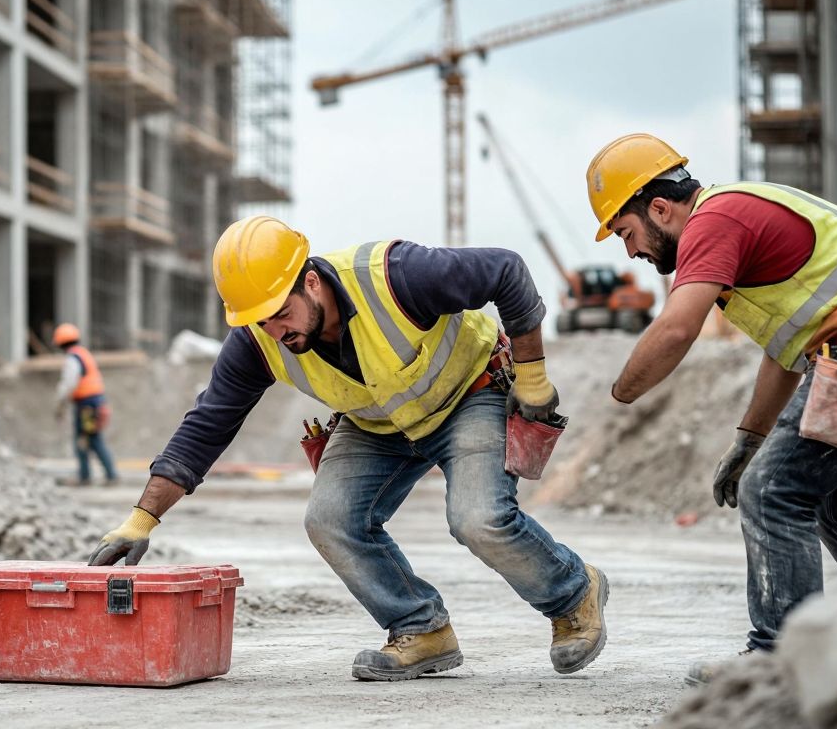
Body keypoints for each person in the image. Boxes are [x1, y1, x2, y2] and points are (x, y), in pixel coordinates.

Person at [86, 215, 609, 682]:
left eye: (280, 313)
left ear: (311, 281)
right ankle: (420, 628)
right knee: (330, 518)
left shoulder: (397, 276)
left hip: (468, 393)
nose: (275, 330)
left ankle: (573, 594)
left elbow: (507, 271)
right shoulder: (259, 339)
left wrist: (534, 377)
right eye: (259, 321)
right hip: (377, 422)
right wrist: (142, 519)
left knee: (476, 517)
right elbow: (208, 424)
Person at [585, 133, 837, 682]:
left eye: (627, 232)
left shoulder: (712, 223)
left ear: (659, 208)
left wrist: (615, 394)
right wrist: (750, 440)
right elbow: (786, 356)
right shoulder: (736, 220)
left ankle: (779, 661)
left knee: (774, 492)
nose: (631, 251)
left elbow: (676, 327)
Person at [53, 322, 119, 486]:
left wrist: (60, 404)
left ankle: (91, 476)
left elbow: (69, 384)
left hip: (86, 406)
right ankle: (99, 474)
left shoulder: (72, 359)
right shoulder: (83, 353)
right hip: (94, 402)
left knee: (87, 439)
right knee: (88, 438)